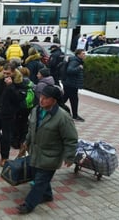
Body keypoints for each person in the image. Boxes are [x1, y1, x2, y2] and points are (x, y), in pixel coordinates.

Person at [17, 85, 78, 214]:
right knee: (38, 177)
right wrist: (26, 143)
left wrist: (70, 156)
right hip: (35, 152)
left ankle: (28, 204)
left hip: (51, 156)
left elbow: (71, 139)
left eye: (46, 98)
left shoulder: (63, 117)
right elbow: (31, 129)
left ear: (54, 100)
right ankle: (47, 195)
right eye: (41, 97)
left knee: (39, 181)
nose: (41, 100)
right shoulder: (36, 110)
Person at [62, 49, 86, 122]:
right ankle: (75, 115)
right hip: (70, 84)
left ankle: (52, 108)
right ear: (78, 55)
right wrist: (79, 68)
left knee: (65, 98)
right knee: (73, 99)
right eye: (83, 53)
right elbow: (69, 70)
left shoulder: (77, 60)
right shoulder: (75, 61)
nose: (84, 55)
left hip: (70, 84)